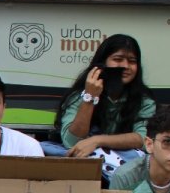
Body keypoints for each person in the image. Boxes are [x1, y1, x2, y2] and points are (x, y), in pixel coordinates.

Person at [51, 34, 156, 167]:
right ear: (102, 63)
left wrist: (97, 140)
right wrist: (90, 97)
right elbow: (71, 142)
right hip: (83, 166)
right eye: (118, 59)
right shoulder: (80, 95)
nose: (125, 66)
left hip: (124, 167)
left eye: (132, 61)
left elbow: (142, 139)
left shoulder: (143, 100)